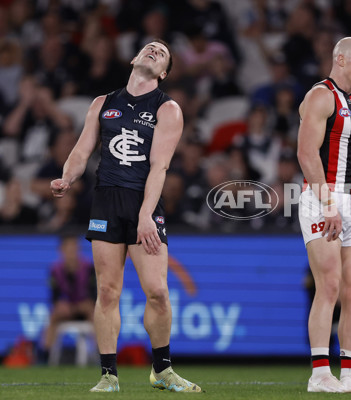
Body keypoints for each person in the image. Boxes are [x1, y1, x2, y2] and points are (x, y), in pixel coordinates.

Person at [50, 39, 201, 392]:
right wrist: (67, 177)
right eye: (149, 47)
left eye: (161, 53)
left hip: (143, 203)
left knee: (158, 292)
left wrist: (147, 214)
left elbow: (160, 167)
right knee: (107, 290)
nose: (153, 50)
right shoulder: (103, 103)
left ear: (163, 73)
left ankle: (162, 370)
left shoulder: (168, 109)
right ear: (134, 58)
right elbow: (81, 150)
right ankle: (108, 376)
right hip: (106, 201)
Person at [296, 37, 351, 393]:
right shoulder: (321, 95)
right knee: (329, 284)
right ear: (341, 59)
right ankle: (320, 373)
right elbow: (306, 154)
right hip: (322, 197)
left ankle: (348, 373)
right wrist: (328, 204)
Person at [42, 232, 96, 361]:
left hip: (84, 308)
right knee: (54, 314)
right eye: (68, 249)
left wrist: (86, 304)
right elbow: (54, 297)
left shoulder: (88, 268)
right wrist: (60, 305)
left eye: (74, 249)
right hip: (66, 310)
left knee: (94, 313)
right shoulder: (55, 270)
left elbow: (94, 294)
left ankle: (100, 354)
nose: (72, 252)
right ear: (61, 250)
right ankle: (45, 355)